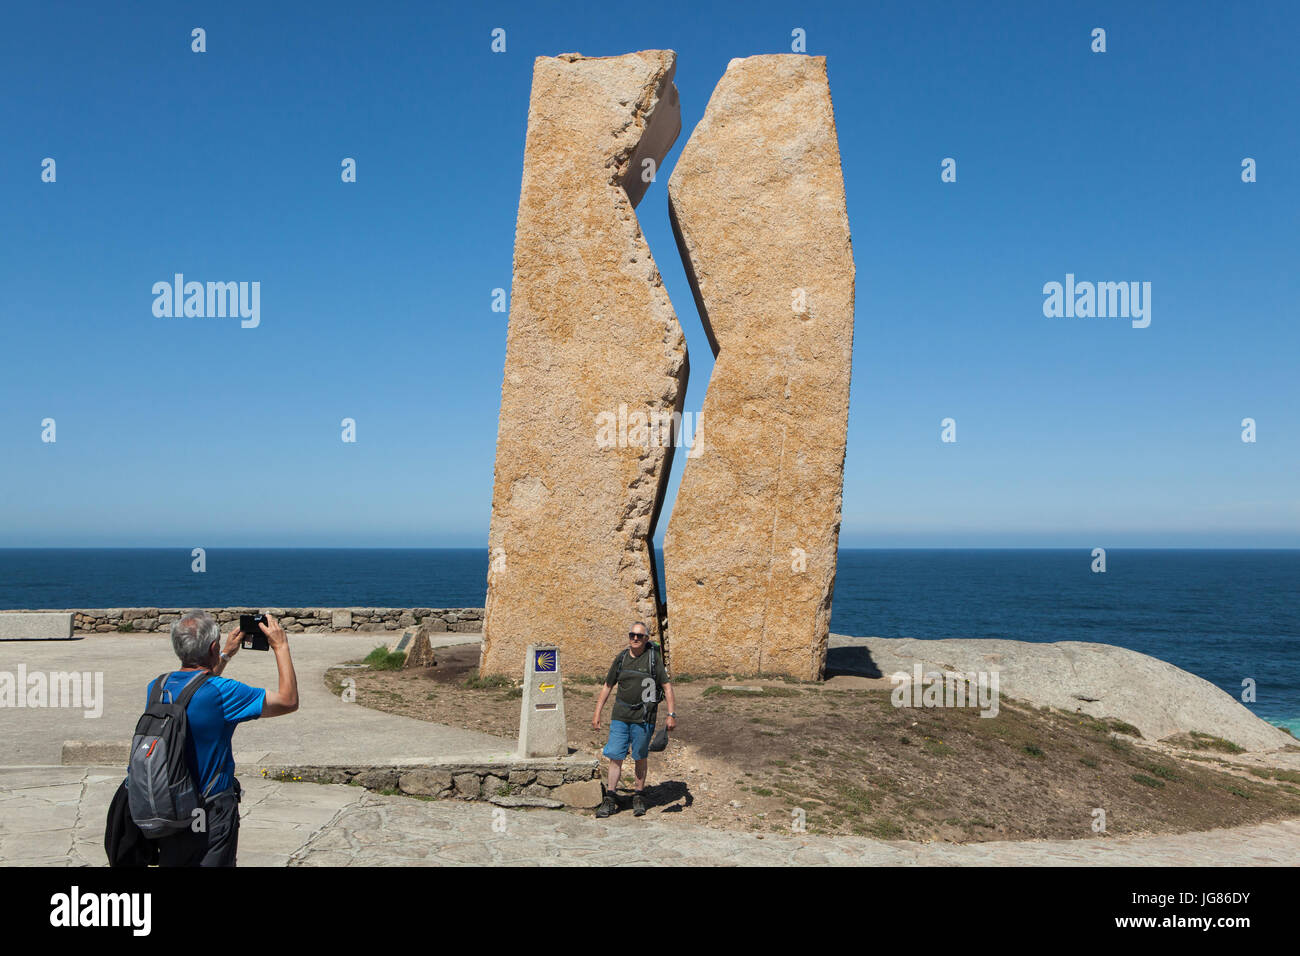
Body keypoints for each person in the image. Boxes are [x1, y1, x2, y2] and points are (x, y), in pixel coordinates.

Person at [147, 609, 299, 866]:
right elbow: (288, 701)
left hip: (168, 807)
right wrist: (280, 646)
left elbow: (195, 690)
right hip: (210, 809)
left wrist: (225, 655)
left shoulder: (157, 687)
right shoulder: (223, 693)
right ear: (212, 646)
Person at [591, 621, 676, 818]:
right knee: (616, 756)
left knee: (640, 756)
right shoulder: (621, 659)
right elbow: (607, 685)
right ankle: (610, 797)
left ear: (646, 639)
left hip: (644, 717)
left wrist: (671, 714)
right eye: (632, 635)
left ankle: (638, 795)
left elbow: (667, 686)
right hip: (620, 715)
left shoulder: (653, 659)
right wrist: (597, 713)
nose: (635, 639)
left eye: (639, 636)